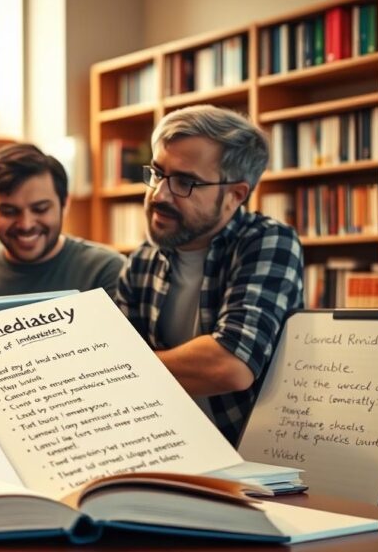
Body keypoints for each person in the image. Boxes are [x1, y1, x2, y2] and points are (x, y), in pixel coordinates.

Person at [115, 104, 304, 445]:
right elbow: (108, 363)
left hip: (248, 455)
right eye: (157, 173)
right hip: (160, 448)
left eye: (185, 182)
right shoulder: (142, 260)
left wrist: (123, 369)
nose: (159, 194)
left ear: (235, 195)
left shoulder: (268, 242)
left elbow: (230, 365)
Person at [0, 143, 125, 309]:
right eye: (9, 211)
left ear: (65, 204)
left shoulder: (105, 270)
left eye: (40, 209)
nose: (26, 224)